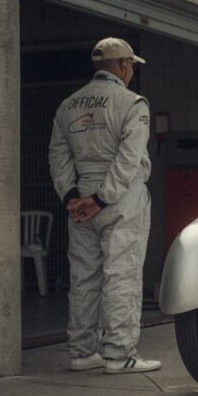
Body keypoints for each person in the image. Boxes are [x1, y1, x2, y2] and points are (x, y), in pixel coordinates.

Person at [48, 37, 160, 374]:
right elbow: (128, 160)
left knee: (83, 277)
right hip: (120, 199)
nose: (131, 72)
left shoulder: (68, 105)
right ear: (124, 66)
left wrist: (71, 197)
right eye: (131, 67)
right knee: (121, 274)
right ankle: (118, 354)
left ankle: (82, 352)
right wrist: (102, 198)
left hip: (80, 197)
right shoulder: (133, 103)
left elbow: (58, 155)